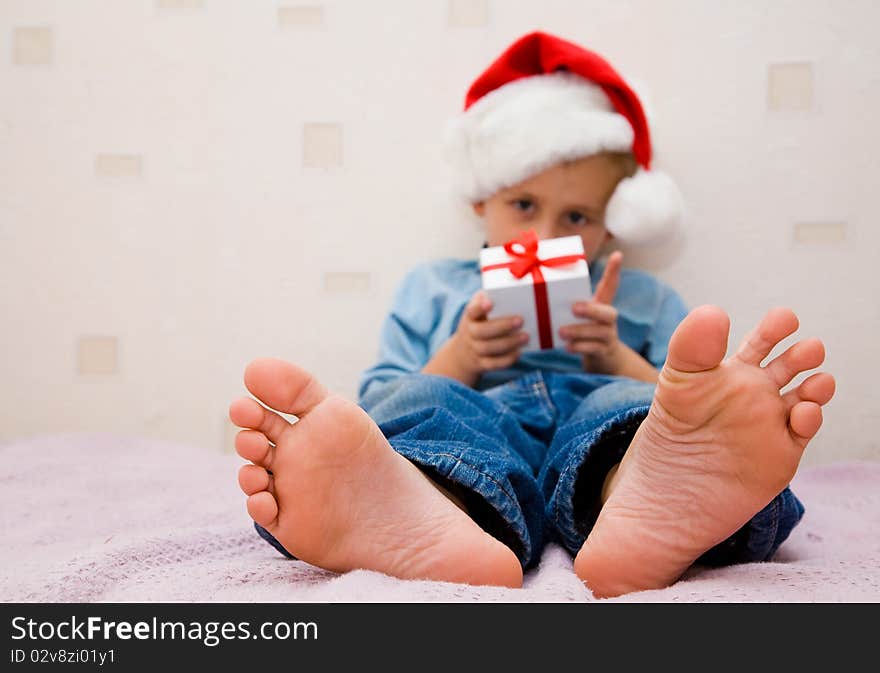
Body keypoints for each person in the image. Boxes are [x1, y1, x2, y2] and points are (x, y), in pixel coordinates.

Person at [228, 32, 836, 597]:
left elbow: (693, 404)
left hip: (609, 420)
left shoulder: (640, 297)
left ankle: (649, 496)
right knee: (428, 407)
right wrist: (460, 359)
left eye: (576, 218)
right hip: (480, 415)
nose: (545, 234)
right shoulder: (436, 289)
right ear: (480, 198)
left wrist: (615, 359)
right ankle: (419, 505)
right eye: (523, 204)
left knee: (623, 412)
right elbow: (382, 395)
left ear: (613, 219)